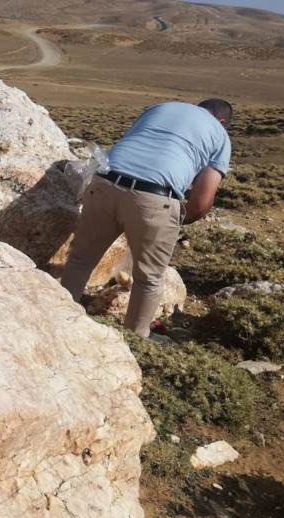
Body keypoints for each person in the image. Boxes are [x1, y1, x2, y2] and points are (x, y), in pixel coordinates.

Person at [60, 99, 232, 340]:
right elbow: (201, 203)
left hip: (104, 183)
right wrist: (175, 222)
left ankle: (58, 318)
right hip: (154, 198)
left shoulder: (161, 108)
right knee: (148, 279)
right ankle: (134, 341)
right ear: (222, 122)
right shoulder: (220, 136)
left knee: (80, 259)